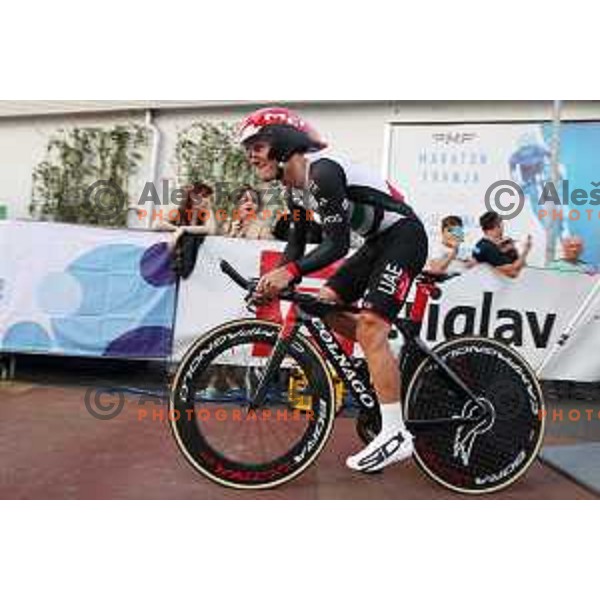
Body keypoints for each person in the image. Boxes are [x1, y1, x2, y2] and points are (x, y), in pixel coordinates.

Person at [238, 106, 429, 474]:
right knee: (322, 305)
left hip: (405, 235)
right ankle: (384, 362)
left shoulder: (322, 172)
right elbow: (295, 249)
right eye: (248, 148)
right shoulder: (295, 193)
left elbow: (337, 246)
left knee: (371, 325)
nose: (251, 154)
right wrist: (273, 282)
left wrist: (288, 274)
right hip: (377, 243)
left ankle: (395, 433)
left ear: (283, 142)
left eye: (258, 144)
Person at [472, 211, 532, 279]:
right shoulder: (488, 249)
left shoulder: (479, 245)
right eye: (501, 223)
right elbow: (513, 271)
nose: (503, 227)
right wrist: (525, 251)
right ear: (497, 226)